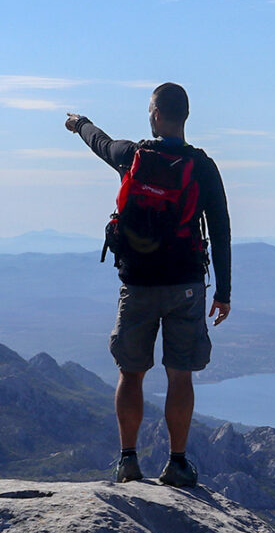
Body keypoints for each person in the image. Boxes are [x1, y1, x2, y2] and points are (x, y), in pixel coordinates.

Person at [65, 82, 230, 487]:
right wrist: (224, 292)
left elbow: (99, 143)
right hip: (186, 286)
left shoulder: (133, 156)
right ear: (185, 117)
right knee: (180, 375)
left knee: (131, 372)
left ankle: (127, 460)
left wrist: (78, 123)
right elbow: (221, 231)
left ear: (156, 115)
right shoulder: (203, 167)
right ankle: (176, 463)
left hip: (137, 285)